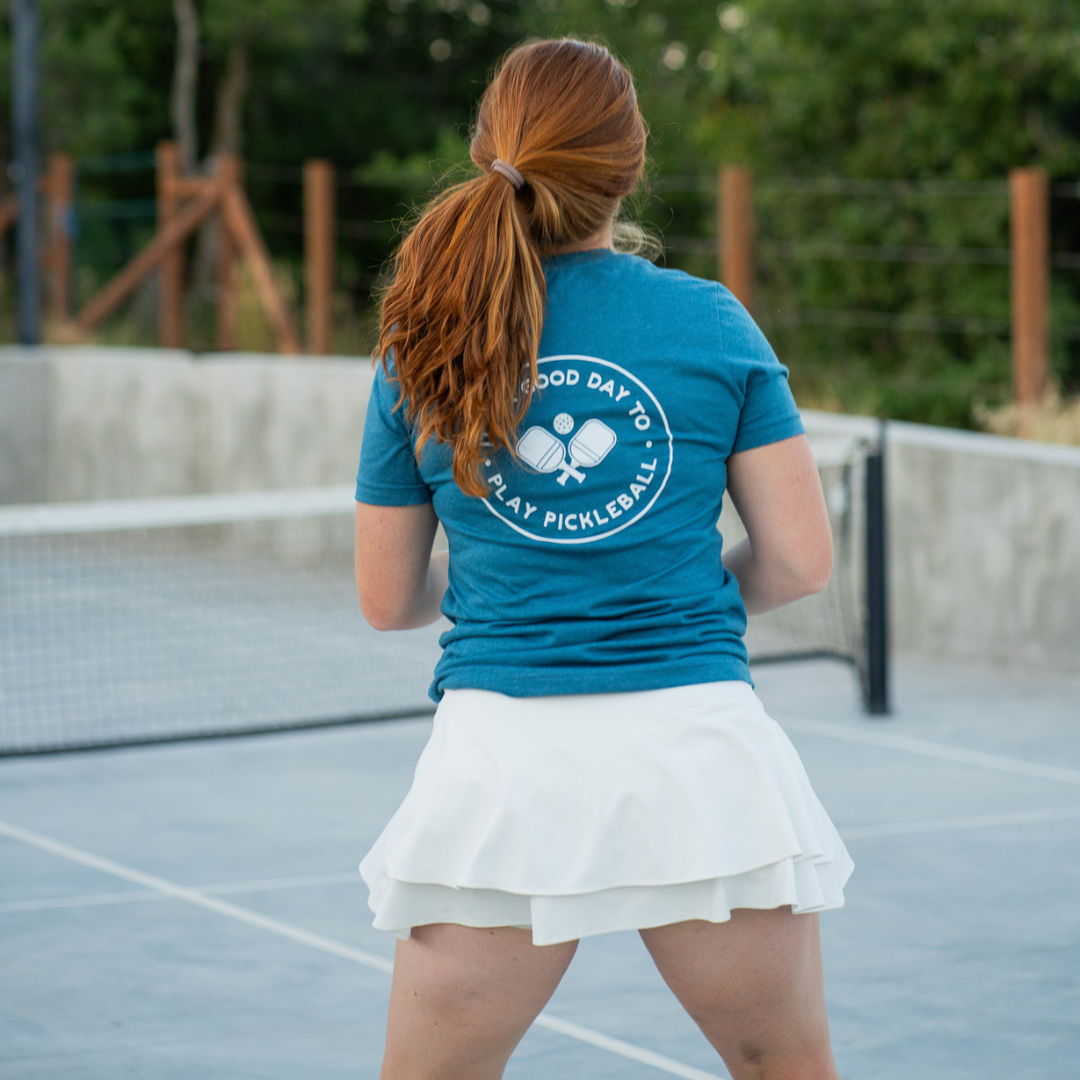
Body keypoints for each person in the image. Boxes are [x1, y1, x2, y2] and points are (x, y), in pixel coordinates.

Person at [354, 37, 852, 1080]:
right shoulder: (708, 321)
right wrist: (678, 591)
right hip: (696, 756)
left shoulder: (421, 338)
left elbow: (388, 599)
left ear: (488, 149)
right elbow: (803, 562)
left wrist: (508, 588)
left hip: (502, 768)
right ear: (630, 165)